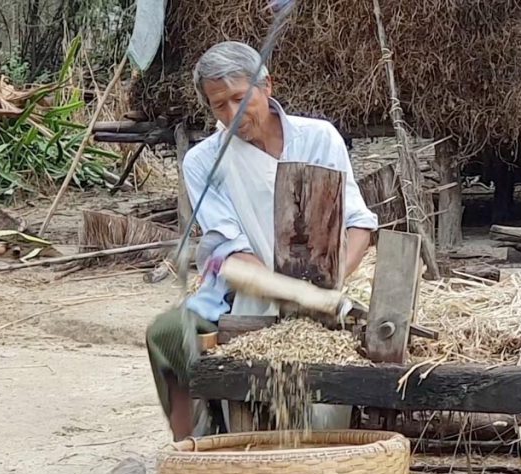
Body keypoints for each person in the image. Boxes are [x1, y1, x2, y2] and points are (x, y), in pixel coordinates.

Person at [145, 41, 379, 441]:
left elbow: (358, 223)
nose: (232, 114)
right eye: (220, 105)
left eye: (240, 97)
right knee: (166, 335)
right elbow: (232, 248)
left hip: (330, 282)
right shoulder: (205, 161)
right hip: (244, 289)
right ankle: (196, 447)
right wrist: (286, 292)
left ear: (267, 86)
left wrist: (331, 284)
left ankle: (328, 448)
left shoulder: (319, 138)